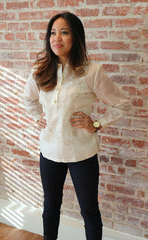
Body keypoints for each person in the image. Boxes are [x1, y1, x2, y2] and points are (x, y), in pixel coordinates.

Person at [23, 12, 130, 240]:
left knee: (89, 211)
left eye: (64, 32)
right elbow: (28, 99)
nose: (57, 38)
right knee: (50, 207)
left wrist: (97, 124)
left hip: (82, 153)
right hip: (50, 152)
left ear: (76, 37)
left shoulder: (92, 71)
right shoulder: (40, 70)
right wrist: (36, 117)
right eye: (53, 33)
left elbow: (122, 104)